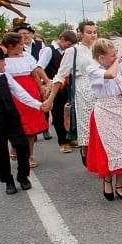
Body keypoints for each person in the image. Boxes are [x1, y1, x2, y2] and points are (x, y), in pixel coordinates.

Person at [0, 45, 51, 195]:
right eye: (2, 60)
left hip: (12, 117)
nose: (5, 63)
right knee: (1, 151)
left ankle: (23, 176)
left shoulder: (5, 77)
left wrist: (38, 105)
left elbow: (21, 94)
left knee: (22, 145)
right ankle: (8, 180)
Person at [85, 39, 122, 201]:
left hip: (120, 107)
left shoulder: (115, 67)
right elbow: (110, 75)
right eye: (111, 56)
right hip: (105, 111)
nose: (115, 58)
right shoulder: (93, 69)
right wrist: (117, 62)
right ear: (101, 58)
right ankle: (107, 181)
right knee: (108, 149)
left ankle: (119, 186)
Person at [49, 21, 99, 165]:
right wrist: (51, 98)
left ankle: (100, 159)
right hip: (82, 91)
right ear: (81, 34)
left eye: (95, 32)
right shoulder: (73, 51)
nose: (93, 35)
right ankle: (87, 154)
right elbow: (60, 75)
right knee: (86, 126)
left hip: (100, 91)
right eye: (89, 32)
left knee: (101, 127)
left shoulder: (99, 48)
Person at [2, 32, 50, 168]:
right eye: (20, 44)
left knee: (31, 127)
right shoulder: (3, 59)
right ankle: (15, 146)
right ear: (11, 46)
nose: (23, 46)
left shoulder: (27, 57)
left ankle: (29, 156)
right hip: (13, 94)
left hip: (30, 92)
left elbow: (35, 74)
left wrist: (41, 89)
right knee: (17, 125)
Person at [37, 30, 78, 153]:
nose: (69, 47)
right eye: (68, 44)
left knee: (69, 112)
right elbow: (39, 68)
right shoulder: (49, 50)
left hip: (67, 86)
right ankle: (63, 142)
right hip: (56, 86)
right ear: (62, 39)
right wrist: (48, 82)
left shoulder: (68, 51)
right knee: (59, 114)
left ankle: (70, 137)